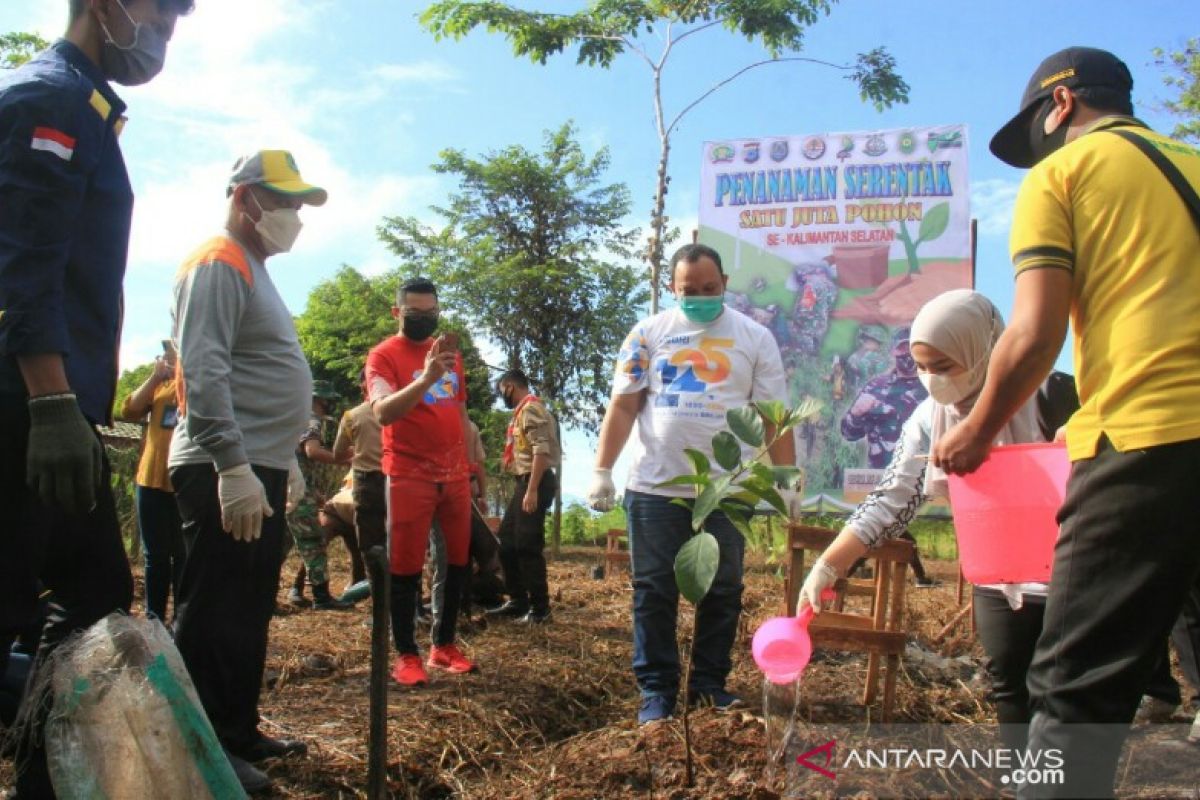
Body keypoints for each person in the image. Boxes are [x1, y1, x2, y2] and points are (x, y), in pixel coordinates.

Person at [932, 47, 1200, 795]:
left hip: (1148, 437)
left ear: (1062, 104)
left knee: (1074, 685)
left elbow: (1034, 333)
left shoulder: (1067, 171)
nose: (1038, 157)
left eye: (1038, 136)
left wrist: (976, 431)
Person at [0, 1, 192, 794]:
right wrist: (49, 401)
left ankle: (46, 780)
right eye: (161, 11)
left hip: (61, 407)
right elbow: (24, 263)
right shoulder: (50, 99)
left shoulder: (89, 108)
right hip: (24, 405)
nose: (166, 32)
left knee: (95, 601)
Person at [801, 290, 1047, 751]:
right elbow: (893, 497)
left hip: (1069, 568)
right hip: (998, 571)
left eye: (944, 366)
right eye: (922, 367)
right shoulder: (927, 418)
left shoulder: (1047, 396)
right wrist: (829, 565)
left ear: (982, 348)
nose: (931, 380)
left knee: (1063, 691)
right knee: (1009, 683)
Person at [168, 150, 325, 794]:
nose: (292, 215)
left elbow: (258, 372)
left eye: (296, 204)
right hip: (219, 468)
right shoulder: (219, 262)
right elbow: (203, 371)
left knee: (248, 608)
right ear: (244, 198)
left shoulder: (255, 270)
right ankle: (194, 748)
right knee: (213, 611)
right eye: (282, 201)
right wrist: (233, 464)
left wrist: (280, 455)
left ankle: (236, 730)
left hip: (258, 466)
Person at [587, 243, 795, 724]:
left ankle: (709, 686)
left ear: (724, 283)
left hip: (726, 490)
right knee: (654, 590)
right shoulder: (647, 333)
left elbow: (773, 418)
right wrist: (603, 469)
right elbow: (623, 405)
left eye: (709, 289)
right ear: (671, 289)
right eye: (689, 291)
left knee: (723, 589)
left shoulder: (755, 337)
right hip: (655, 487)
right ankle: (657, 692)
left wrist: (788, 481)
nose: (700, 297)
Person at [367, 278, 477, 687]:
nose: (425, 320)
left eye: (431, 313)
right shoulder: (383, 356)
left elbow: (461, 412)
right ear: (397, 313)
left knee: (457, 562)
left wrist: (471, 467)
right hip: (409, 473)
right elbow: (382, 413)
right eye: (415, 313)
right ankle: (406, 654)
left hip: (454, 475)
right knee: (406, 565)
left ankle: (443, 646)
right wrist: (427, 377)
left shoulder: (452, 356)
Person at [486, 369, 560, 624]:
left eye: (501, 390)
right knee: (506, 542)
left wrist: (531, 491)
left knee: (527, 545)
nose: (501, 396)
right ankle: (518, 601)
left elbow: (541, 451)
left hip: (534, 481)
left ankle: (541, 609)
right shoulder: (521, 412)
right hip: (525, 482)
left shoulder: (531, 409)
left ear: (509, 386)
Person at [121, 345, 184, 621]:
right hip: (150, 479)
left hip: (186, 481)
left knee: (183, 555)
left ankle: (181, 619)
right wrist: (156, 375)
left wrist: (183, 370)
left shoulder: (195, 382)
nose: (169, 357)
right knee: (155, 556)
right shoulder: (161, 385)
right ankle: (153, 619)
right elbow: (131, 410)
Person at [286, 381, 353, 610]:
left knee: (284, 542)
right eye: (328, 400)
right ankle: (322, 597)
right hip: (297, 490)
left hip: (292, 487)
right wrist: (346, 459)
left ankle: (292, 591)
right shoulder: (311, 418)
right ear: (320, 399)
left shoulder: (295, 417)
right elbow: (312, 451)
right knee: (313, 542)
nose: (331, 404)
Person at [840, 327, 927, 468]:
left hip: (920, 480)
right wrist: (855, 414)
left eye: (913, 348)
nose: (908, 353)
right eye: (903, 348)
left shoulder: (934, 389)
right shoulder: (875, 387)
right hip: (881, 479)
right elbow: (849, 434)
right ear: (893, 351)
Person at [332, 370, 386, 555]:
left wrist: (356, 453)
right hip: (399, 481)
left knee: (369, 543)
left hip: (367, 484)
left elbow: (337, 454)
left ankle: (374, 580)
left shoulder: (351, 416)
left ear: (362, 386)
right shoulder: (403, 411)